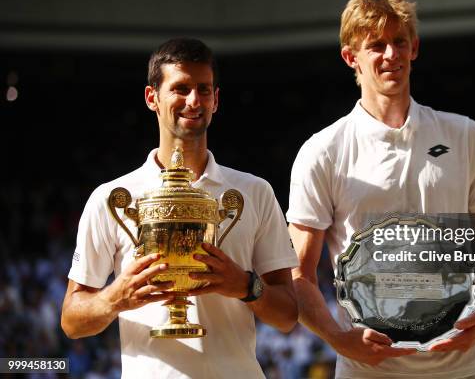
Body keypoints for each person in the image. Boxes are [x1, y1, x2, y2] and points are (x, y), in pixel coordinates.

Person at [287, 0, 475, 378]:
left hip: (467, 367)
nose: (390, 55)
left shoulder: (464, 134)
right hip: (369, 371)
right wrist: (338, 338)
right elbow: (297, 274)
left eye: (399, 42)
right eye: (376, 45)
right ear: (350, 57)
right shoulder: (322, 150)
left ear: (414, 49)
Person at [61, 38, 298, 378]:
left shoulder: (254, 192)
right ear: (152, 98)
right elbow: (71, 320)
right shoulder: (111, 198)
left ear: (216, 100)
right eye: (180, 88)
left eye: (204, 90)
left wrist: (246, 286)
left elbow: (288, 314)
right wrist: (116, 297)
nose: (193, 101)